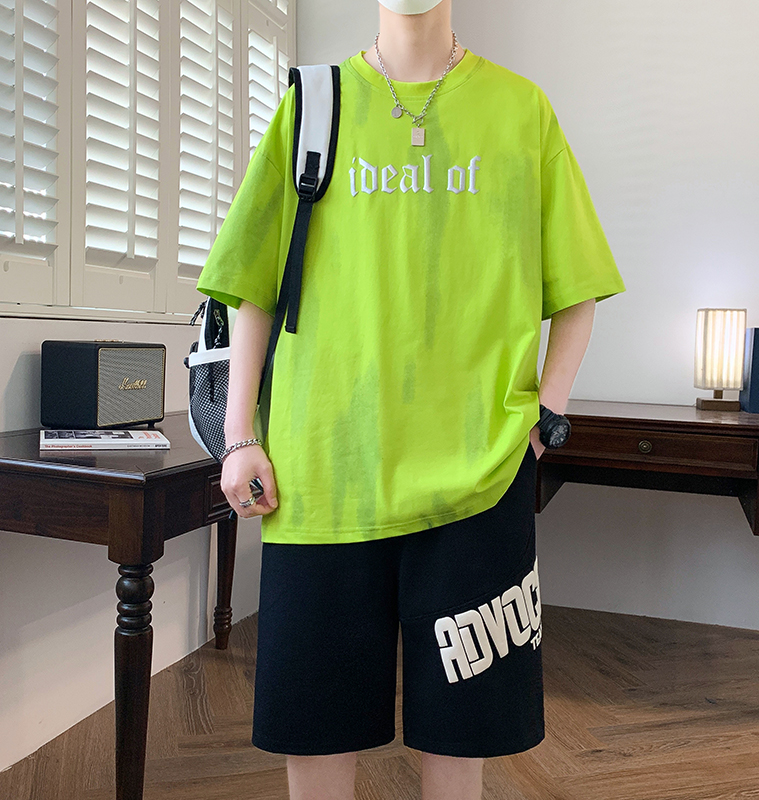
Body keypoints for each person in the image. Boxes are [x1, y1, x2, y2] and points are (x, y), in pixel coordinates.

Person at [195, 0, 626, 797]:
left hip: (477, 476)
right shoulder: (313, 102)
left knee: (463, 735)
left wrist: (545, 416)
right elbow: (252, 283)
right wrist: (239, 434)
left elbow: (578, 290)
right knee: (315, 729)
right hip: (323, 475)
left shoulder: (520, 109)